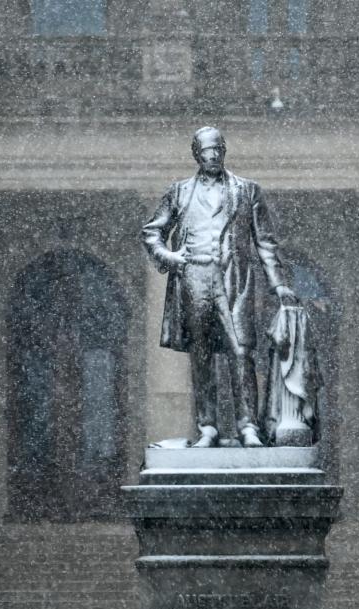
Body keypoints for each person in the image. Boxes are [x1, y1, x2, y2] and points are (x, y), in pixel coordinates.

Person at [142, 126, 297, 447]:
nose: (213, 156)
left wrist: (279, 284)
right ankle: (208, 427)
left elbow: (265, 242)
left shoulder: (247, 191)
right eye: (206, 151)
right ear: (196, 154)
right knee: (201, 356)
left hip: (235, 282)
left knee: (241, 353)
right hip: (194, 283)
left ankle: (248, 426)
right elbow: (151, 232)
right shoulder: (179, 191)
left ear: (224, 151)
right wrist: (168, 256)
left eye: (217, 150)